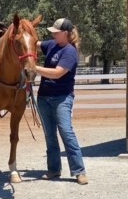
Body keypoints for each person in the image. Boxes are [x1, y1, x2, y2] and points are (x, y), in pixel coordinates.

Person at [35, 18, 88, 185]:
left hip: (62, 98)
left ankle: (79, 171)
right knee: (50, 135)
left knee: (66, 132)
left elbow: (57, 73)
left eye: (56, 32)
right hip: (44, 97)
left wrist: (33, 68)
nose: (53, 34)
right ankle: (54, 169)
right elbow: (33, 42)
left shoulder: (70, 51)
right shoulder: (51, 44)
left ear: (65, 33)